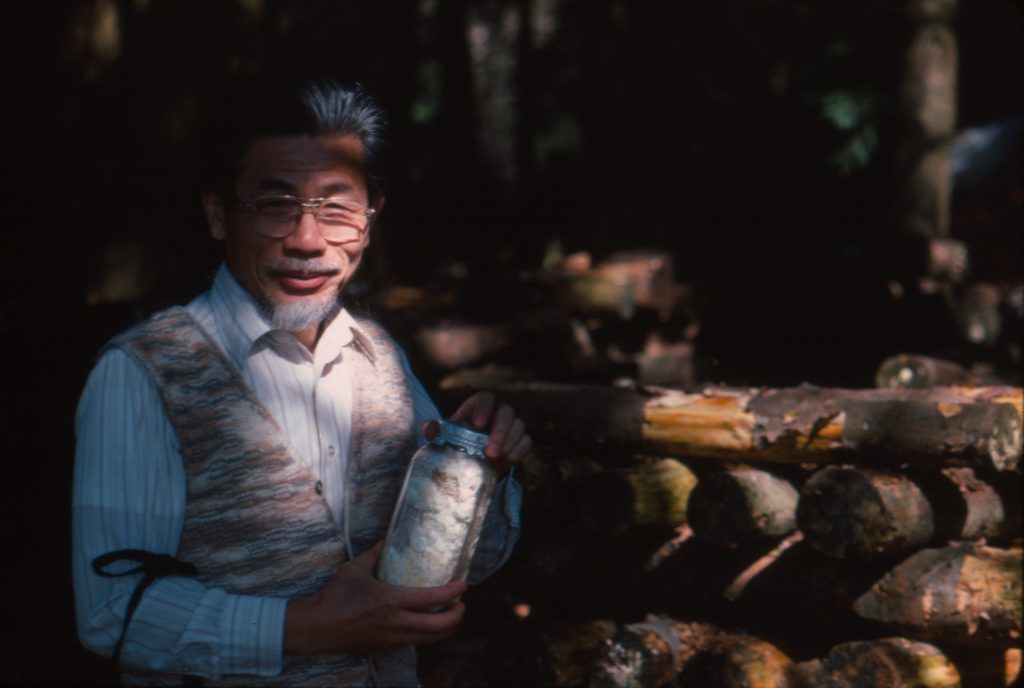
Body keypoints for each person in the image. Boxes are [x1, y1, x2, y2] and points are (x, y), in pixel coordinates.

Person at [72, 79, 531, 687]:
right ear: (218, 214)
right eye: (274, 205)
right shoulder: (142, 373)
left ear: (370, 222)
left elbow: (465, 568)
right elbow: (110, 613)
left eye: (337, 208)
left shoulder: (380, 358)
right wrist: (310, 625)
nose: (308, 241)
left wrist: (480, 474)